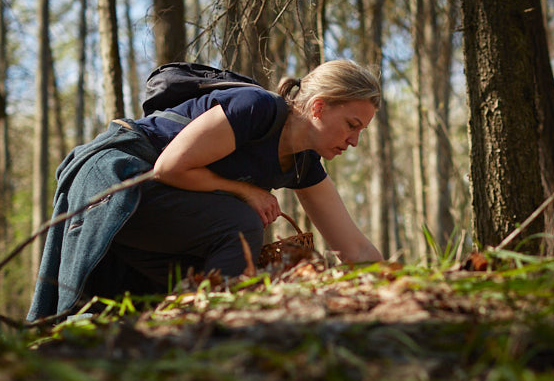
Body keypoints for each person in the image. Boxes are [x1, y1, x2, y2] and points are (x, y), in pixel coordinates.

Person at [27, 59, 382, 321]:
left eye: (361, 130)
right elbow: (170, 166)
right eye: (352, 125)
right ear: (319, 107)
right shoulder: (257, 108)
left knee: (201, 266)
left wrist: (387, 291)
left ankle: (183, 332)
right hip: (117, 176)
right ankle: (211, 331)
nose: (354, 141)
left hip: (152, 200)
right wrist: (247, 192)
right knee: (241, 225)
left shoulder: (304, 163)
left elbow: (353, 246)